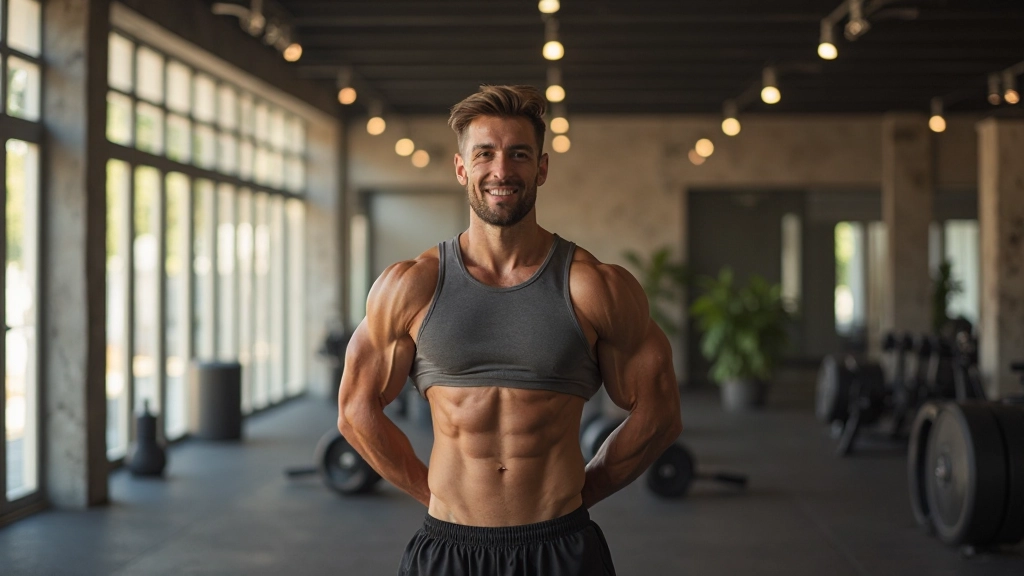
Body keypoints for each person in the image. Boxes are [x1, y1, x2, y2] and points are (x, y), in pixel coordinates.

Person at [337, 85, 683, 576]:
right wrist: (432, 492)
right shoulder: (412, 285)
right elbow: (354, 410)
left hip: (559, 545)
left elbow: (662, 412)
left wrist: (584, 492)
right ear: (462, 169)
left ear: (541, 168)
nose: (502, 170)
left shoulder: (594, 287)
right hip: (448, 547)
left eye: (519, 154)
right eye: (485, 154)